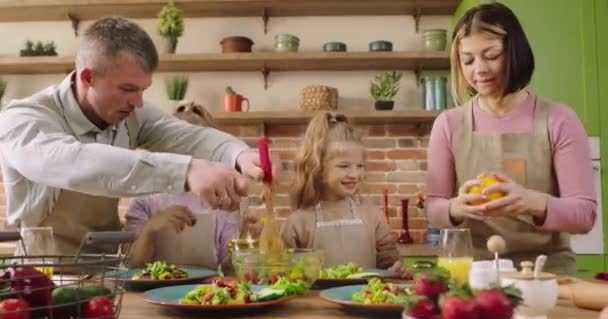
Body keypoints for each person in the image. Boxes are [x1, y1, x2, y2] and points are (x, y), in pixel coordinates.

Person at [0, 17, 264, 256]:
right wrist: (186, 171)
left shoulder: (132, 114)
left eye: (143, 90)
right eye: (128, 89)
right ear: (88, 77)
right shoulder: (22, 119)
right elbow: (75, 163)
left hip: (108, 276)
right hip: (41, 277)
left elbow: (186, 136)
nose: (138, 102)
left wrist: (237, 153)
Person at [425, 2, 596, 275]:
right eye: (467, 60)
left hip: (547, 273)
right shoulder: (448, 124)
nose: (479, 69)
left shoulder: (558, 119)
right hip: (474, 273)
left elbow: (585, 216)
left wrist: (530, 201)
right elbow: (433, 208)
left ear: (514, 51)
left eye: (491, 55)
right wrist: (456, 208)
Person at [126, 101, 261, 269]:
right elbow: (131, 264)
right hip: (149, 293)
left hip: (205, 291)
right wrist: (151, 229)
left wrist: (246, 239)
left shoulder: (222, 203)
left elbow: (228, 269)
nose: (187, 161)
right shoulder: (145, 200)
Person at [281, 112, 409, 277]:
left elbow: (388, 260)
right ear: (318, 168)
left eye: (360, 166)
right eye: (344, 166)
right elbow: (284, 272)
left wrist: (396, 268)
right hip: (316, 302)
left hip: (364, 300)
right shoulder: (298, 222)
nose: (355, 174)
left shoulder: (372, 214)